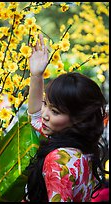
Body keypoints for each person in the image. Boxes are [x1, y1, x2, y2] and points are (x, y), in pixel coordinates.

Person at [22, 34, 108, 202]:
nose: (45, 114)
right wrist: (36, 75)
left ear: (77, 118)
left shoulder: (59, 159)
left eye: (55, 111)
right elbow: (35, 117)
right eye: (45, 103)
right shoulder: (81, 150)